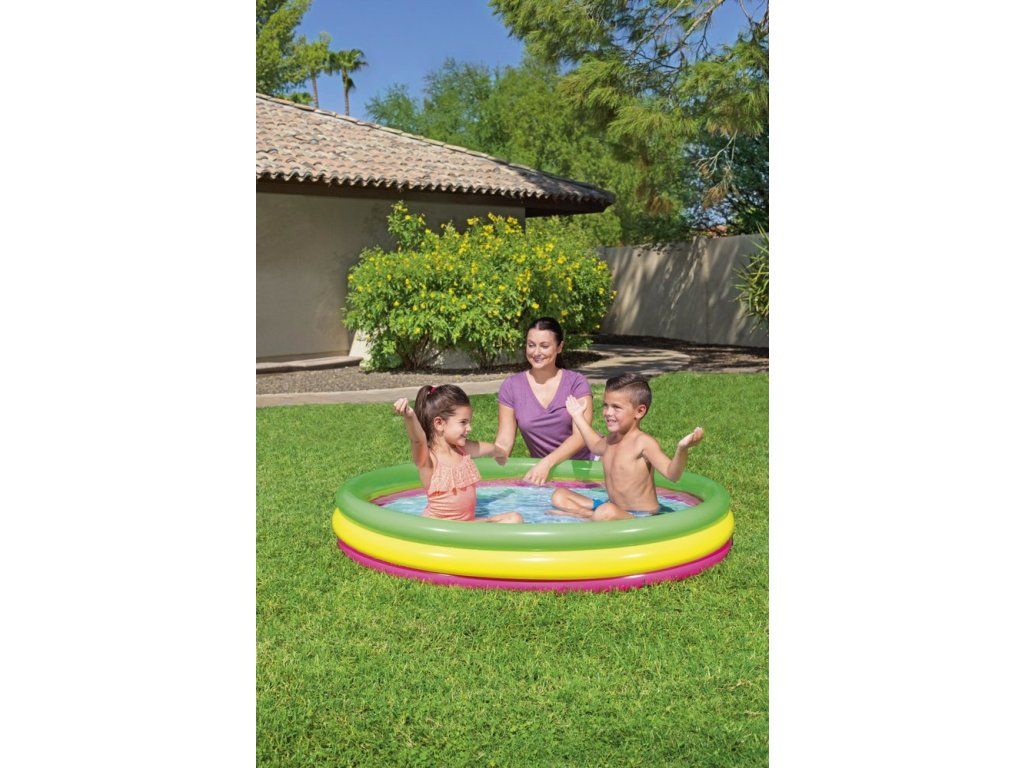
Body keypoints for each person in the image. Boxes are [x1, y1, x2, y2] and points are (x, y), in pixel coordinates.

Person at [549, 372, 705, 521]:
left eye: (616, 407)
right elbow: (595, 445)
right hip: (613, 508)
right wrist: (578, 416)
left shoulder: (643, 443)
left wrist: (682, 449)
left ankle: (583, 516)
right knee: (560, 495)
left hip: (640, 516)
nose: (608, 412)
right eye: (606, 405)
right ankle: (588, 515)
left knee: (605, 512)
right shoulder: (611, 439)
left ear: (639, 411)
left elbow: (673, 474)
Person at [394, 384, 522, 524]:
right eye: (463, 422)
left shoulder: (462, 450)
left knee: (514, 518)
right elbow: (418, 440)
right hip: (439, 528)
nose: (469, 428)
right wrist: (410, 417)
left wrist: (500, 453)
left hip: (466, 526)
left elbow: (486, 448)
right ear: (439, 424)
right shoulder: (428, 460)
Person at [495, 317, 595, 485]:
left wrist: (547, 463)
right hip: (545, 473)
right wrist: (492, 470)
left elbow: (580, 437)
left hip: (589, 466)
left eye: (544, 346)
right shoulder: (511, 386)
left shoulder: (576, 383)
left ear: (559, 347)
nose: (536, 352)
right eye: (531, 345)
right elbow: (504, 441)